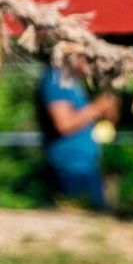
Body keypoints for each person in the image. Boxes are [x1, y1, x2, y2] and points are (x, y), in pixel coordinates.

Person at [35, 51, 117, 209]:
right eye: (88, 57)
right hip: (69, 167)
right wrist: (97, 107)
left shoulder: (72, 82)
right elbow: (64, 124)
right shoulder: (55, 79)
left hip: (85, 165)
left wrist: (107, 111)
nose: (91, 64)